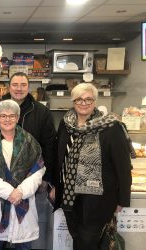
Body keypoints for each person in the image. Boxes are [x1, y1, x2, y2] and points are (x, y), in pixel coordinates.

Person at [51, 83, 132, 250]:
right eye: (79, 99)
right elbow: (60, 158)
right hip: (69, 196)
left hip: (98, 199)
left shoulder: (111, 127)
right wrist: (55, 186)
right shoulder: (66, 125)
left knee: (88, 241)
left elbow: (123, 167)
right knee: (76, 237)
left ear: (95, 101)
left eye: (88, 99)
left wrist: (123, 199)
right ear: (73, 101)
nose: (84, 102)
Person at [0, 99, 45, 250]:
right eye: (3, 115)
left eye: (12, 116)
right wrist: (9, 192)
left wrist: (21, 191)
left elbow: (39, 170)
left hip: (22, 201)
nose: (7, 119)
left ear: (18, 118)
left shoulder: (29, 141)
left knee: (24, 245)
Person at [0, 72, 56, 188]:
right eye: (15, 85)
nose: (19, 89)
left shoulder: (42, 112)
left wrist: (45, 177)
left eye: (23, 85)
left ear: (28, 88)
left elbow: (49, 146)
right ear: (9, 87)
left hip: (31, 175)